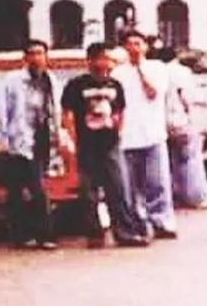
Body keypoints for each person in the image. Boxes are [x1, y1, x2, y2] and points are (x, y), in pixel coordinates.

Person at [60, 42, 151, 248]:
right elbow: (67, 113)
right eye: (104, 58)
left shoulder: (115, 85)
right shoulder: (77, 85)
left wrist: (117, 132)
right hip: (86, 144)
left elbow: (120, 111)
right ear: (92, 60)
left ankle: (124, 232)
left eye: (109, 59)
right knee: (89, 192)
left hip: (110, 143)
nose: (108, 63)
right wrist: (73, 138)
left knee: (118, 189)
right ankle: (94, 234)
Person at [0, 39, 67, 250]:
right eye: (32, 54)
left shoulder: (51, 80)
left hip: (42, 138)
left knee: (32, 187)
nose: (37, 58)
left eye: (40, 53)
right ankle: (33, 235)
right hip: (18, 140)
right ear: (25, 58)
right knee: (24, 189)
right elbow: (2, 111)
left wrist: (58, 135)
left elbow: (55, 110)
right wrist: (2, 138)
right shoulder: (12, 81)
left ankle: (36, 235)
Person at [113, 29, 178, 239]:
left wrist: (140, 69)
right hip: (127, 137)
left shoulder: (157, 68)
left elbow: (153, 93)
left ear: (145, 46)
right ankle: (138, 223)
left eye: (138, 43)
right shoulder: (117, 74)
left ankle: (162, 222)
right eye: (130, 44)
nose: (134, 48)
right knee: (130, 187)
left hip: (153, 134)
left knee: (157, 182)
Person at [157, 47, 207, 209]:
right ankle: (197, 197)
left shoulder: (156, 71)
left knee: (167, 162)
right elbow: (188, 97)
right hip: (180, 120)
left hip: (161, 123)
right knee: (190, 159)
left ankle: (172, 196)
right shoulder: (181, 72)